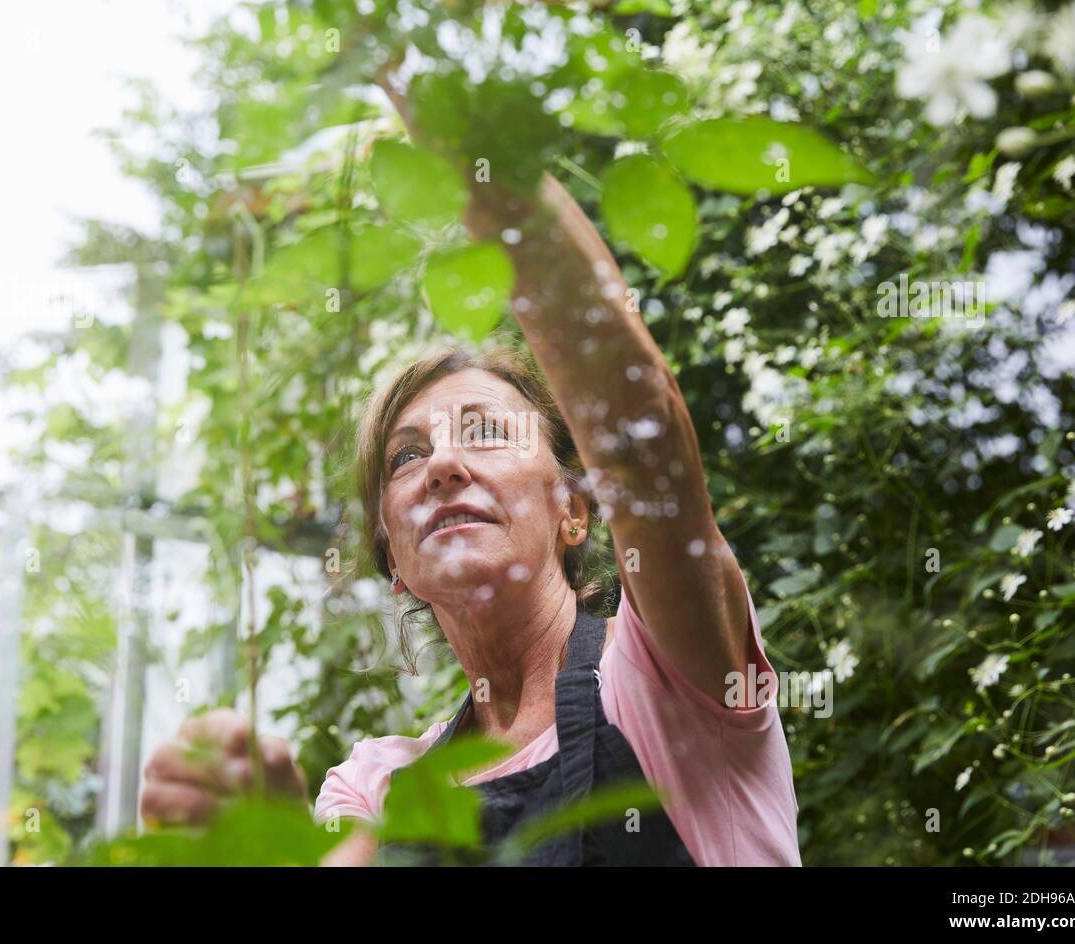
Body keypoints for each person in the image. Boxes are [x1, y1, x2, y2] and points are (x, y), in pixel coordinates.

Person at [139, 70, 802, 867]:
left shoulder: (666, 676)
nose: (444, 463)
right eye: (407, 455)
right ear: (393, 561)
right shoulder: (378, 789)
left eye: (486, 432)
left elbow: (643, 436)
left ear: (574, 509)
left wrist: (459, 125)